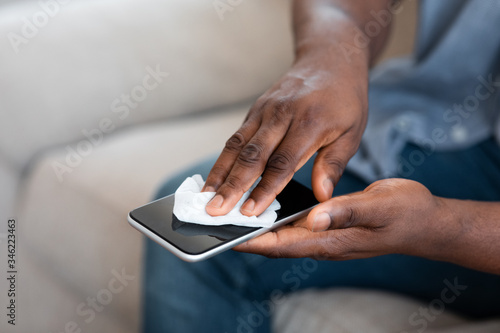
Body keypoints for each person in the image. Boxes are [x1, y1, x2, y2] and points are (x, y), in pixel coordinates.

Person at [143, 0, 500, 332]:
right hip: (451, 125)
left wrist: (441, 228)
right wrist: (330, 55)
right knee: (188, 228)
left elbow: (438, 227)